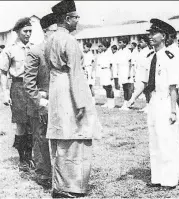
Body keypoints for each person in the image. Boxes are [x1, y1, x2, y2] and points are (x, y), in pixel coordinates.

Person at [45, 0, 102, 197]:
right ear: (67, 19)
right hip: (70, 89)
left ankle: (59, 184)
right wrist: (81, 103)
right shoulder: (69, 41)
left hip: (56, 88)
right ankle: (71, 186)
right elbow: (76, 73)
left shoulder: (50, 39)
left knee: (62, 138)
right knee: (76, 138)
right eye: (75, 17)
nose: (77, 20)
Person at [127, 18, 179, 190]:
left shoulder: (171, 57)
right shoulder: (148, 56)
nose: (150, 36)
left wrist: (173, 110)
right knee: (154, 140)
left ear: (163, 36)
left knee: (167, 139)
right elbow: (143, 81)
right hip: (153, 101)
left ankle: (169, 179)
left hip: (166, 101)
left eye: (153, 33)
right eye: (149, 33)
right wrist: (133, 97)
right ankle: (157, 177)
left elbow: (173, 87)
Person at [24, 13, 57, 188]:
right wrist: (41, 102)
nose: (57, 34)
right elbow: (28, 83)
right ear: (45, 31)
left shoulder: (60, 50)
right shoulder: (36, 51)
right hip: (40, 104)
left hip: (58, 102)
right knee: (41, 139)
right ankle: (43, 174)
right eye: (54, 30)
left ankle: (58, 174)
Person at [0, 17, 34, 172]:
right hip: (18, 87)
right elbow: (3, 73)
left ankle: (30, 156)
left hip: (33, 87)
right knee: (21, 123)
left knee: (32, 124)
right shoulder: (9, 49)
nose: (28, 34)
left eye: (30, 31)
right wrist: (5, 94)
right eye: (25, 31)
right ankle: (23, 160)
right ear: (17, 31)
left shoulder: (34, 48)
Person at [135, 36, 154, 113]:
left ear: (146, 43)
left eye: (142, 42)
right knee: (145, 90)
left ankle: (150, 106)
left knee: (148, 90)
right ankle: (147, 105)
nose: (140, 43)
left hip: (147, 72)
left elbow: (149, 63)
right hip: (141, 72)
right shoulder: (141, 51)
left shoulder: (149, 51)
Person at [116, 37, 133, 111]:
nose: (119, 44)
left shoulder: (128, 51)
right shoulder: (119, 51)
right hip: (121, 70)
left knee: (127, 87)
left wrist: (129, 73)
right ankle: (125, 102)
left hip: (126, 69)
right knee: (123, 87)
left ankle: (127, 103)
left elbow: (130, 63)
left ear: (125, 43)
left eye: (120, 42)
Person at [97, 41, 115, 108]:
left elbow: (111, 65)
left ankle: (111, 103)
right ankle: (108, 101)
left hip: (108, 71)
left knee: (109, 87)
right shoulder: (103, 54)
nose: (101, 47)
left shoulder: (109, 53)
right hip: (103, 71)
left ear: (106, 46)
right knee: (105, 87)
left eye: (103, 46)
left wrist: (112, 74)